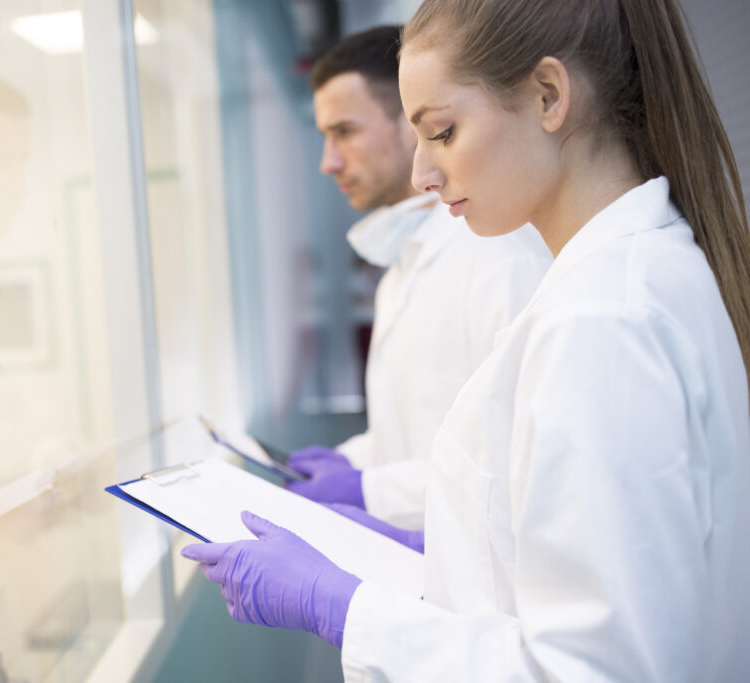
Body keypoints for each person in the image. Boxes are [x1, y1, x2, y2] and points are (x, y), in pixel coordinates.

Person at [182, 0, 750, 679]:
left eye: (443, 132)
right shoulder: (635, 274)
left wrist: (345, 607)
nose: (422, 174)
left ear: (547, 96)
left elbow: (593, 668)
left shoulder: (600, 322)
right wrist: (422, 552)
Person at [287, 25, 550, 530]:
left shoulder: (501, 255)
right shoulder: (401, 269)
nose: (329, 162)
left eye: (344, 131)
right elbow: (413, 433)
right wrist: (347, 461)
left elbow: (516, 463)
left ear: (410, 122)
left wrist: (366, 489)